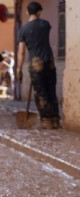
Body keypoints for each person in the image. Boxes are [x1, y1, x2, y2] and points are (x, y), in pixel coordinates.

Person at [18, 1, 60, 129]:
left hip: (36, 64)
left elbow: (21, 52)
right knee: (51, 91)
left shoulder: (23, 30)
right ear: (39, 12)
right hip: (50, 63)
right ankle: (56, 120)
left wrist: (19, 69)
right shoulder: (45, 24)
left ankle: (45, 121)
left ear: (27, 12)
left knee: (40, 92)